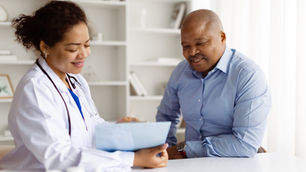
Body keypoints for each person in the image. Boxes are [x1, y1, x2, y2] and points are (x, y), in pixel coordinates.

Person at [0, 1, 168, 171]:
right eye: (73, 49)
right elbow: (58, 156)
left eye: (87, 44)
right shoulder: (35, 88)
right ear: (45, 47)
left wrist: (120, 130)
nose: (84, 54)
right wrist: (133, 159)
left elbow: (91, 129)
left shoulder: (76, 81)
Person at [156, 9, 271, 159]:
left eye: (200, 43)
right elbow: (166, 116)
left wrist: (183, 150)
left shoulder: (248, 75)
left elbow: (245, 145)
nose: (192, 52)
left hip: (234, 163)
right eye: (186, 46)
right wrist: (166, 151)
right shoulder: (180, 72)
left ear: (222, 37)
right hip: (189, 164)